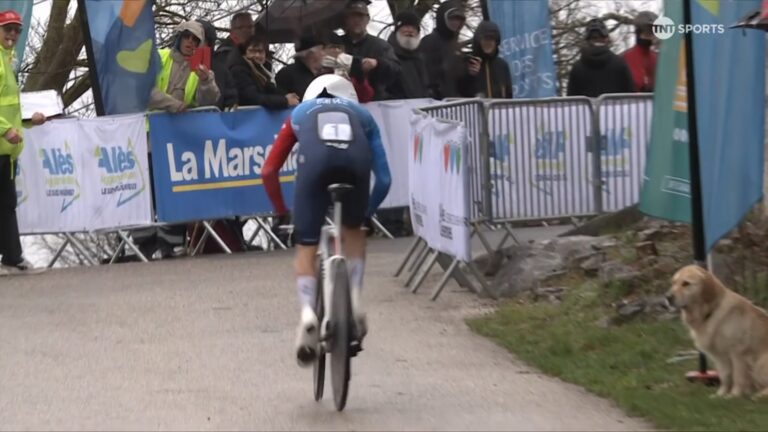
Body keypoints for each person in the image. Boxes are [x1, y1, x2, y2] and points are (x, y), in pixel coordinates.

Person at [262, 74, 391, 366]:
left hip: (315, 167)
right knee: (353, 232)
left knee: (306, 247)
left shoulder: (298, 113)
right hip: (355, 167)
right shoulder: (363, 116)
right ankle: (355, 297)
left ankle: (308, 312)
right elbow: (384, 179)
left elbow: (269, 171)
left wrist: (281, 209)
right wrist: (366, 215)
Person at [0, 10, 47, 275]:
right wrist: (5, 130)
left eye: (17, 30)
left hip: (6, 152)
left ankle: (11, 258)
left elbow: (11, 110)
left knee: (6, 205)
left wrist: (31, 121)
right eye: (8, 29)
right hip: (2, 146)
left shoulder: (9, 62)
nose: (13, 35)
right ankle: (11, 257)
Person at [339, 0, 401, 101]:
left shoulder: (381, 45)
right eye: (352, 16)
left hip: (374, 102)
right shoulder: (336, 43)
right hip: (343, 100)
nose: (356, 20)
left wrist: (378, 64)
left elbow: (396, 69)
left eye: (360, 16)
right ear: (346, 20)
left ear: (367, 19)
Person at [566, 18, 635, 97]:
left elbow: (571, 101)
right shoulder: (620, 64)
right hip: (617, 109)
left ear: (587, 40)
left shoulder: (577, 68)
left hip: (586, 109)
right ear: (606, 39)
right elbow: (631, 96)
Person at [229, 34, 300, 109]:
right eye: (252, 51)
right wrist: (285, 101)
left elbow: (270, 89)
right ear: (245, 52)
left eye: (260, 51)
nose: (257, 55)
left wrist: (286, 96)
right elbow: (253, 98)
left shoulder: (261, 72)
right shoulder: (239, 70)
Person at [420, 0, 470, 99]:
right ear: (443, 18)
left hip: (456, 103)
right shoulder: (429, 42)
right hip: (436, 103)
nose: (456, 23)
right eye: (452, 19)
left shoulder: (456, 47)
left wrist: (470, 73)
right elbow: (426, 76)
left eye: (459, 20)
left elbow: (460, 81)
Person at [386, 9, 432, 99]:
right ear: (397, 30)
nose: (410, 30)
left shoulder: (422, 59)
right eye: (406, 26)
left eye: (414, 28)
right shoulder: (387, 55)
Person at [462, 20, 512, 99]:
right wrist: (470, 77)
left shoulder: (502, 65)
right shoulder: (468, 62)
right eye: (485, 39)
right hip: (475, 110)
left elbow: (509, 95)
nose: (488, 43)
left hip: (498, 110)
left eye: (491, 39)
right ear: (478, 41)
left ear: (496, 42)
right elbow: (459, 93)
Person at [275, 33, 325, 100]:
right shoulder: (287, 74)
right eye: (321, 49)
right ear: (310, 54)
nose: (324, 54)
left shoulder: (318, 75)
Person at [622, 11, 659, 93]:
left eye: (654, 32)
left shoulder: (658, 59)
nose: (652, 36)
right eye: (648, 32)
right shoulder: (625, 58)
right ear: (638, 32)